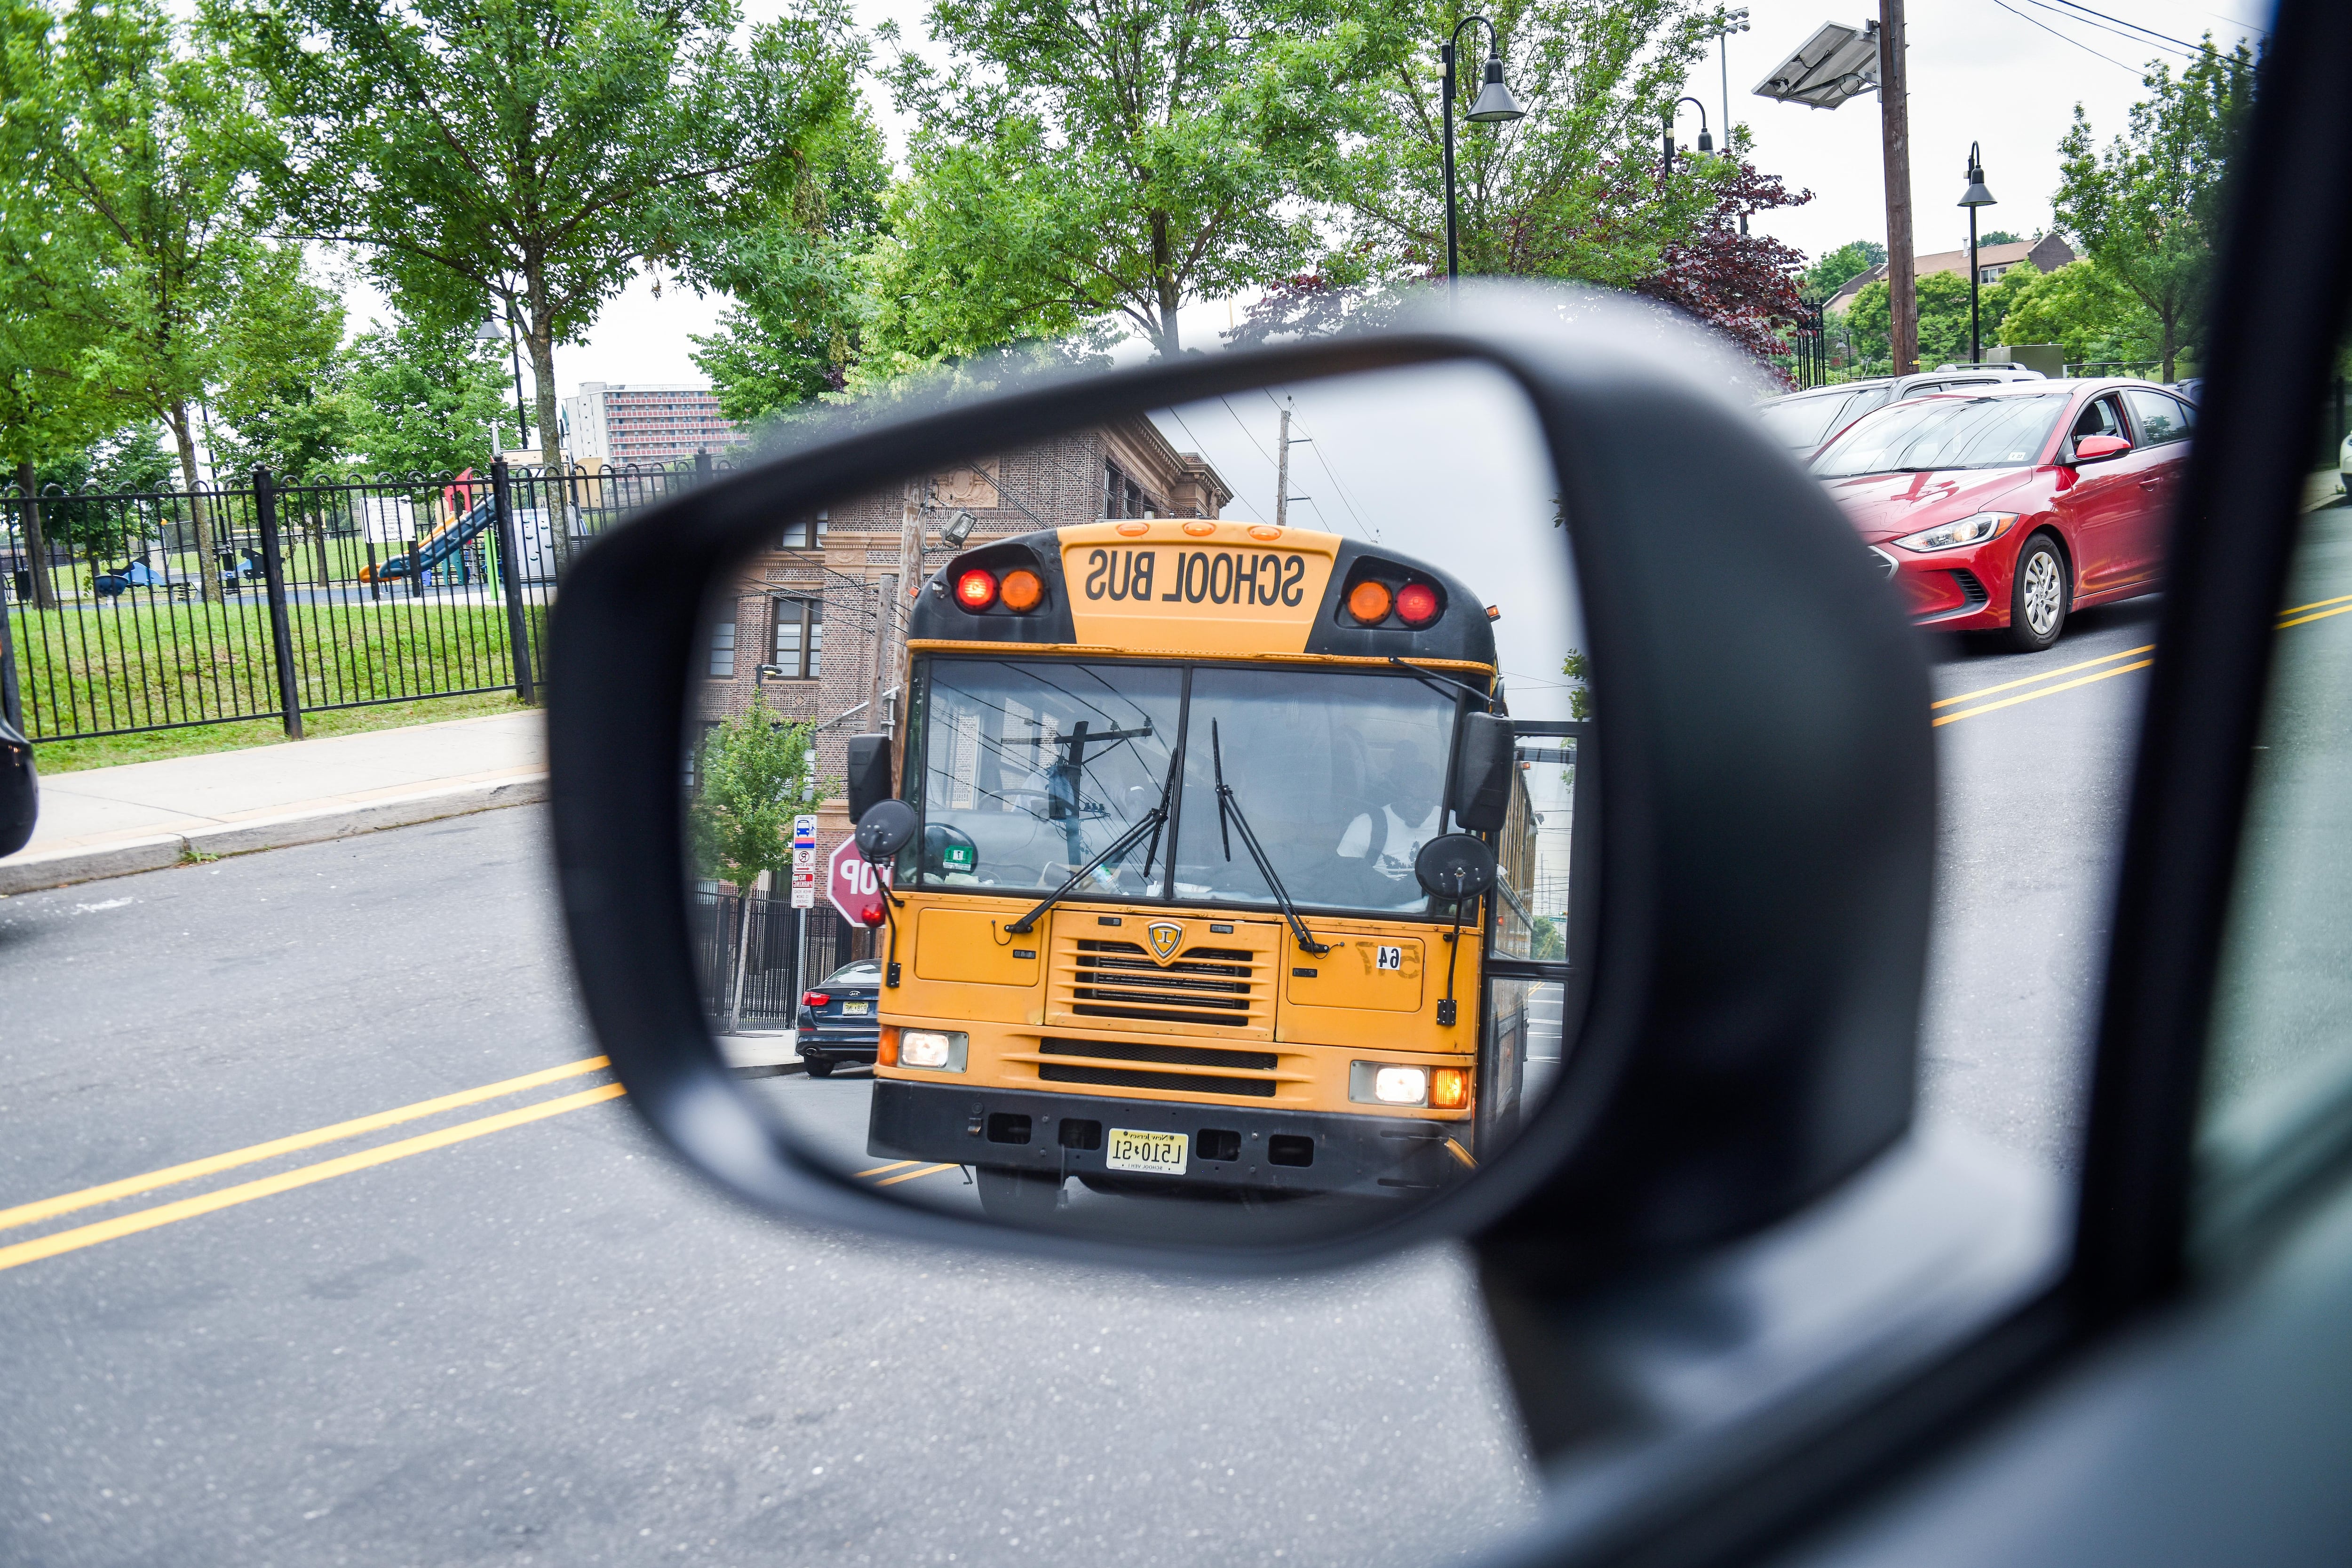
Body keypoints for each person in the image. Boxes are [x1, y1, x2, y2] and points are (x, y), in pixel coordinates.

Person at [1336, 748, 1445, 900]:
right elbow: (1341, 879)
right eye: (1409, 798)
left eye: (1425, 801)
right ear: (1398, 794)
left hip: (1433, 917)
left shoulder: (1447, 824)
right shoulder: (1366, 826)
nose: (1416, 808)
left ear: (1436, 799)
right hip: (1380, 914)